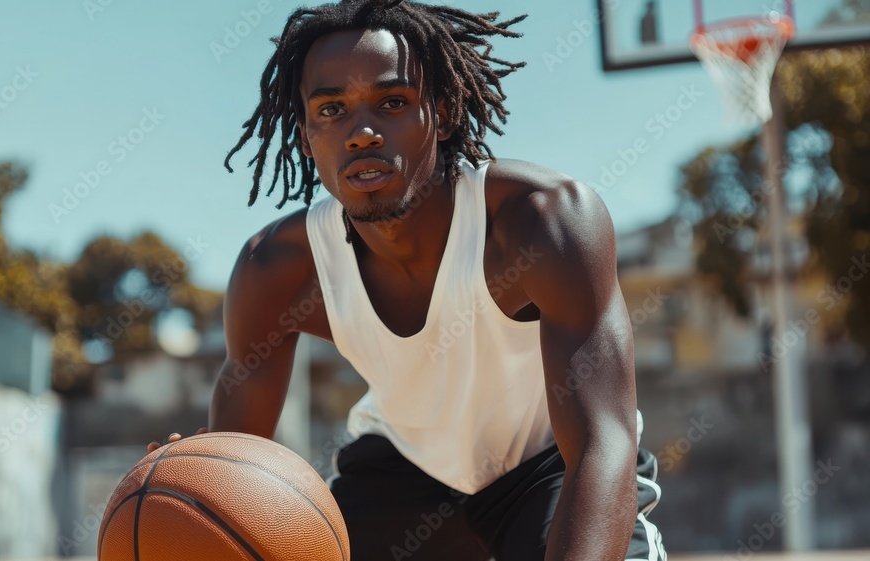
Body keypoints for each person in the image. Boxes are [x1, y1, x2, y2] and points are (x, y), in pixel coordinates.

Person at [149, 1, 666, 559]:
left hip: (553, 468)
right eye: (331, 110)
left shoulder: (544, 222)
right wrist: (191, 491)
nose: (361, 132)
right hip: (403, 474)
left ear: (441, 115)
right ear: (305, 136)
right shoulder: (276, 270)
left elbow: (602, 442)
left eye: (392, 102)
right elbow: (235, 474)